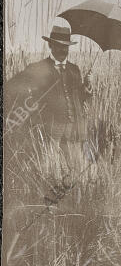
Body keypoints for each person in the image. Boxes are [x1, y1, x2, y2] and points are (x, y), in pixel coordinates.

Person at [4, 23, 94, 172]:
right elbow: (11, 87)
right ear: (50, 45)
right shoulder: (38, 68)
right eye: (58, 45)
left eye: (65, 46)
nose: (62, 50)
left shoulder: (74, 70)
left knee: (76, 171)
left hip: (73, 131)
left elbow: (79, 98)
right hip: (49, 131)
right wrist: (31, 111)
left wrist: (86, 89)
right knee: (51, 172)